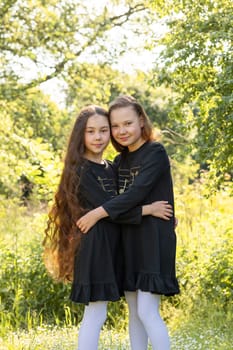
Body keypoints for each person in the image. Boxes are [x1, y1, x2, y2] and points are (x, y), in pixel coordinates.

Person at [43, 105, 173, 350]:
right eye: (91, 131)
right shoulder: (80, 170)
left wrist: (162, 212)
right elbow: (111, 208)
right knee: (96, 314)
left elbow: (122, 202)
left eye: (104, 130)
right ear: (80, 135)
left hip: (115, 246)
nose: (98, 136)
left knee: (126, 312)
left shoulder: (111, 166)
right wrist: (149, 210)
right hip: (95, 247)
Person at [77, 96, 180, 350]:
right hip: (129, 241)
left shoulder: (155, 152)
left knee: (147, 311)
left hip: (152, 242)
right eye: (116, 126)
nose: (121, 131)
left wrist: (98, 213)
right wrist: (146, 210)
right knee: (134, 311)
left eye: (128, 123)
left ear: (141, 121)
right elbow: (121, 202)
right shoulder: (120, 161)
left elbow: (134, 194)